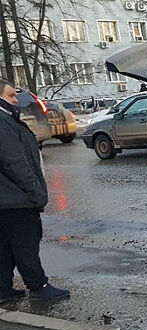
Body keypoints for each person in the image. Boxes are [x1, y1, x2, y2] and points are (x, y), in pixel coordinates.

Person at [0, 79, 69, 302]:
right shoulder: (2, 122)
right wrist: (34, 191)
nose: (16, 100)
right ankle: (38, 286)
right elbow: (14, 161)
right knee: (25, 242)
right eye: (10, 96)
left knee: (5, 244)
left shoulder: (7, 119)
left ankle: (3, 288)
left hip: (7, 198)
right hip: (15, 197)